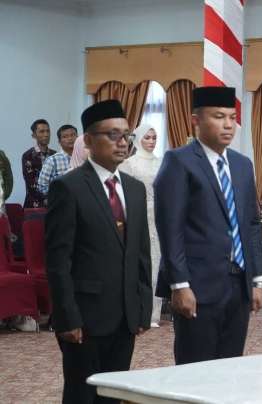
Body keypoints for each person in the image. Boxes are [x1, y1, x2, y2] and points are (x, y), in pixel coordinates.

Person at [46, 100, 152, 404]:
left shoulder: (134, 188)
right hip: (85, 318)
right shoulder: (69, 187)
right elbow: (58, 261)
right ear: (89, 141)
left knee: (114, 395)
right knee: (82, 395)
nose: (123, 143)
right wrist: (67, 317)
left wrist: (143, 308)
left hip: (125, 317)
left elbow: (141, 254)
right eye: (113, 135)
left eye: (126, 135)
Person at [155, 86, 262, 364]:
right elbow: (170, 229)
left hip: (238, 284)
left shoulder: (242, 165)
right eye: (219, 117)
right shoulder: (179, 161)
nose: (228, 125)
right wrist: (179, 284)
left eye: (232, 117)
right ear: (196, 120)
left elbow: (251, 225)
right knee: (195, 368)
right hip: (197, 286)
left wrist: (258, 279)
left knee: (230, 365)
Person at [119, 124, 163, 327]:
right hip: (137, 214)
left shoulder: (162, 162)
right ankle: (136, 309)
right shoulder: (128, 164)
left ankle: (154, 313)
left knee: (157, 261)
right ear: (138, 139)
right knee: (139, 261)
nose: (151, 141)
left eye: (154, 137)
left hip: (158, 215)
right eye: (147, 137)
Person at [22, 119, 56, 208]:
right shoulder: (28, 156)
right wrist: (46, 199)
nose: (46, 134)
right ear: (34, 135)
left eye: (48, 131)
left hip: (55, 203)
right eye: (42, 131)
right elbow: (31, 183)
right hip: (35, 204)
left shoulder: (55, 155)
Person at [37, 124, 77, 195]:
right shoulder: (52, 161)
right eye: (65, 136)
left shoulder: (85, 157)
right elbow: (42, 187)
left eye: (73, 135)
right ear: (59, 142)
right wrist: (61, 190)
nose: (70, 138)